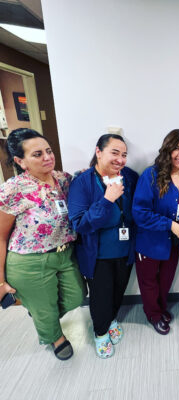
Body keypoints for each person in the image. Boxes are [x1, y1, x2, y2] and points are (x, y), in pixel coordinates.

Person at [0, 128, 86, 361]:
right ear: (20, 161)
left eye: (48, 151)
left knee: (77, 296)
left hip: (65, 253)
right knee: (45, 309)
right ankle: (55, 338)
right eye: (37, 154)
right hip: (29, 261)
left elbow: (82, 185)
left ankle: (40, 314)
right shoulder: (14, 188)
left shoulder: (63, 179)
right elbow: (0, 236)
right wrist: (0, 281)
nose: (47, 157)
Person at [68, 134, 138, 358]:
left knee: (119, 289)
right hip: (97, 254)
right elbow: (80, 224)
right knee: (101, 296)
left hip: (125, 248)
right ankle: (100, 333)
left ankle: (112, 319)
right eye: (114, 153)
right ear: (98, 152)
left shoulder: (129, 177)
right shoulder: (83, 182)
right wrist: (107, 199)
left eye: (124, 155)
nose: (120, 159)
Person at [132, 129, 179, 335]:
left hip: (175, 242)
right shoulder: (151, 175)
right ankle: (153, 314)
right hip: (151, 241)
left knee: (166, 279)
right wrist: (169, 224)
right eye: (176, 148)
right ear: (167, 149)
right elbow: (140, 213)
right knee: (149, 282)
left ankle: (160, 308)